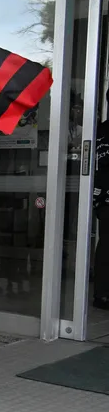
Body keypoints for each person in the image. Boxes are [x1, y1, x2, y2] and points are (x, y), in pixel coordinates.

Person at [93, 89, 109, 311]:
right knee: (106, 245)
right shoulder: (103, 131)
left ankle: (102, 293)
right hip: (106, 197)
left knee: (106, 244)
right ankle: (102, 294)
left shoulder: (100, 130)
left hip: (103, 197)